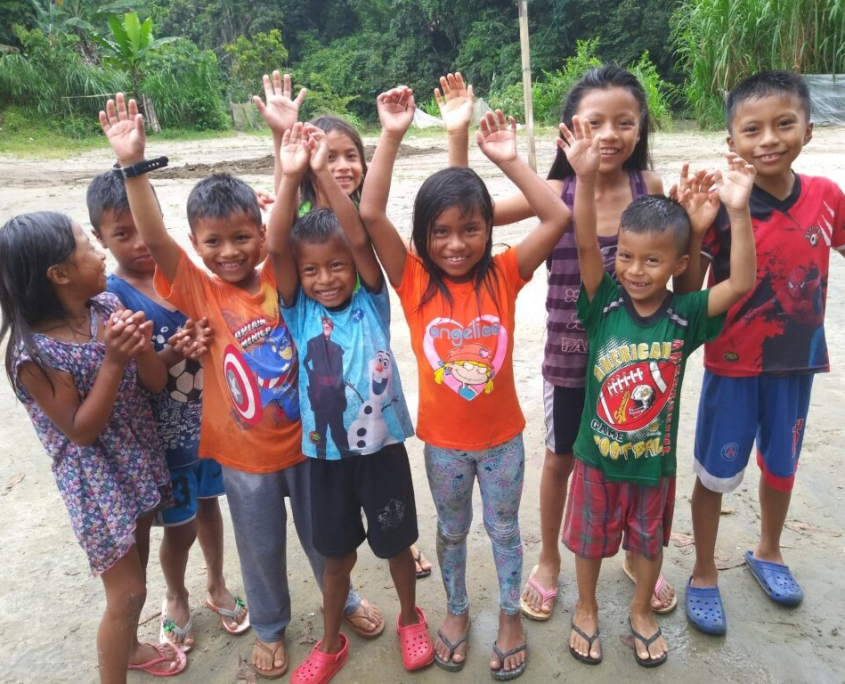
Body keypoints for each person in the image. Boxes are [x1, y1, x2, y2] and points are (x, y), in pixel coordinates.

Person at [98, 93, 383, 679]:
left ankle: (344, 597)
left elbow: (283, 218)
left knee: (325, 538)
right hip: (243, 456)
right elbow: (155, 238)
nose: (229, 252)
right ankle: (271, 627)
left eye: (242, 238)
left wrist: (285, 152)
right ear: (195, 244)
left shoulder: (283, 272)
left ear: (260, 233)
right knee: (259, 548)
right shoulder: (198, 290)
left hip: (309, 443)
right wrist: (131, 164)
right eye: (213, 242)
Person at [446, 66, 672, 620]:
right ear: (569, 130)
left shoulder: (651, 188)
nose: (610, 134)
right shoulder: (555, 192)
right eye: (595, 123)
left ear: (641, 127)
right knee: (561, 459)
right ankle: (548, 558)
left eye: (624, 122)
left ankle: (637, 551)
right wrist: (459, 134)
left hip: (637, 364)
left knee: (633, 458)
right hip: (571, 361)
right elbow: (466, 214)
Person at [360, 86, 570, 680]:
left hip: (503, 442)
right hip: (444, 447)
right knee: (451, 533)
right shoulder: (413, 280)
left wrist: (509, 159)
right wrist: (392, 134)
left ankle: (509, 616)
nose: (456, 244)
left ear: (489, 228)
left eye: (471, 229)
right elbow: (371, 214)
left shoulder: (505, 272)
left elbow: (558, 215)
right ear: (423, 235)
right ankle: (456, 610)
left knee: (504, 531)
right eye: (441, 232)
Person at [562, 113, 756, 666]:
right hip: (596, 459)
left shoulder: (685, 315)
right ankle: (585, 607)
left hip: (652, 465)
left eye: (653, 260)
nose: (636, 270)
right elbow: (583, 243)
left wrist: (738, 211)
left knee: (649, 544)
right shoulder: (603, 304)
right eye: (626, 256)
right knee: (589, 543)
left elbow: (741, 282)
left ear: (679, 263)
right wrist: (584, 179)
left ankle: (642, 610)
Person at [675, 70, 845, 635]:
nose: (769, 139)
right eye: (752, 130)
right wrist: (694, 229)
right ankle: (703, 570)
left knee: (782, 465)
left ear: (809, 130)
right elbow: (687, 292)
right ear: (732, 141)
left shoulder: (826, 196)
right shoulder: (723, 203)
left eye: (784, 124)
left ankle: (769, 551)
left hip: (797, 363)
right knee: (714, 473)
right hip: (732, 364)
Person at [266, 121, 431, 683]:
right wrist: (291, 175)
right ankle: (330, 640)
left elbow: (359, 238)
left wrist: (320, 171)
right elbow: (275, 245)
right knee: (336, 558)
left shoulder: (371, 298)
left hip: (382, 450)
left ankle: (409, 618)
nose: (325, 278)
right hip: (326, 458)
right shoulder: (299, 311)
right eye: (311, 270)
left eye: (335, 266)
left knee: (397, 545)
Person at [254, 70, 433, 579]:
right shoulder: (298, 227)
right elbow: (279, 241)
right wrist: (283, 141)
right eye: (328, 156)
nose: (340, 165)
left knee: (386, 501)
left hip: (368, 387)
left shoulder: (361, 225)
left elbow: (362, 234)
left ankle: (397, 542)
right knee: (334, 504)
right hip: (314, 376)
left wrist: (389, 135)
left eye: (350, 155)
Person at [0, 211, 187, 681]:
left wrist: (149, 348)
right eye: (87, 245)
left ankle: (134, 650)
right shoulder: (34, 355)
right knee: (126, 594)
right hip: (97, 482)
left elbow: (153, 382)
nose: (100, 253)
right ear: (59, 274)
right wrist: (114, 359)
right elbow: (80, 431)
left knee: (137, 571)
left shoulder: (104, 307)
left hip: (136, 460)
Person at [87, 171, 250, 653]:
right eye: (122, 233)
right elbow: (146, 381)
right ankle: (176, 595)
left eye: (145, 226)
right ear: (100, 238)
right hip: (163, 440)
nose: (139, 242)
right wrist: (176, 349)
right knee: (179, 527)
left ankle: (217, 583)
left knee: (211, 508)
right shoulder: (112, 300)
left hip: (211, 425)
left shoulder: (183, 275)